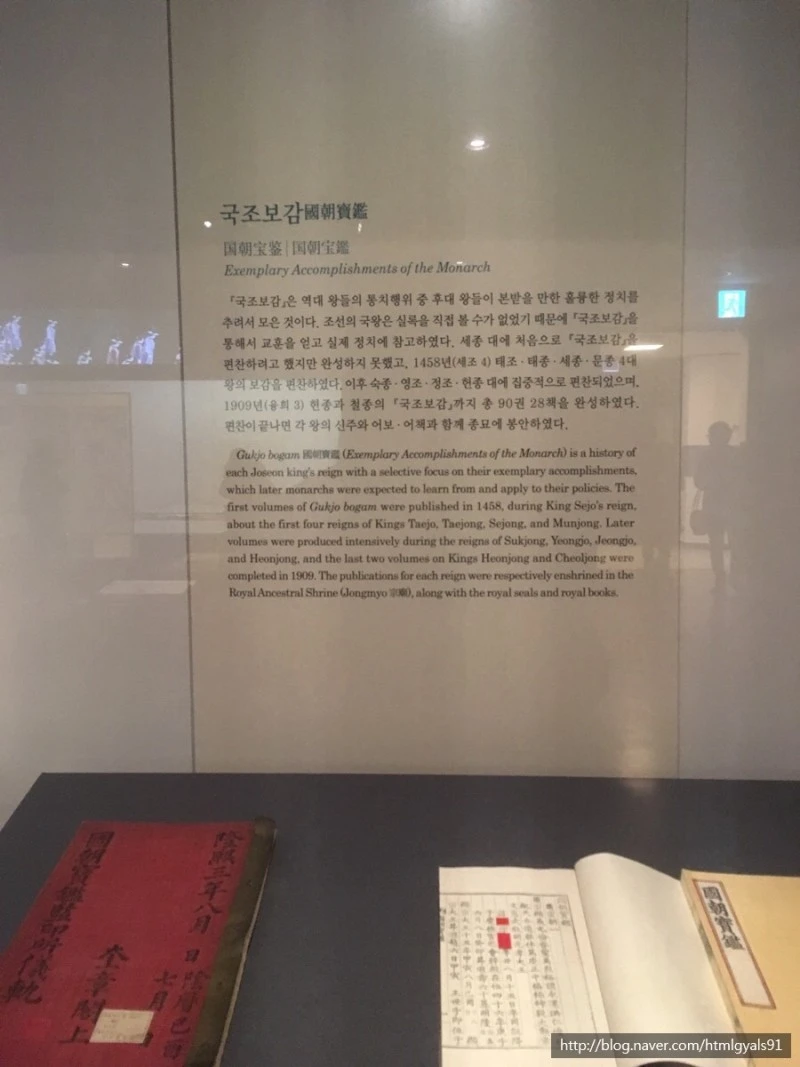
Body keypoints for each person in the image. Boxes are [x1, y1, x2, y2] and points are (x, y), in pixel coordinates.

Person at [694, 422, 739, 591]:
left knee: (716, 543)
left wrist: (711, 483)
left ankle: (720, 575)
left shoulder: (706, 456)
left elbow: (699, 481)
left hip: (713, 504)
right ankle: (734, 575)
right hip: (733, 504)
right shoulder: (735, 455)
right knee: (735, 542)